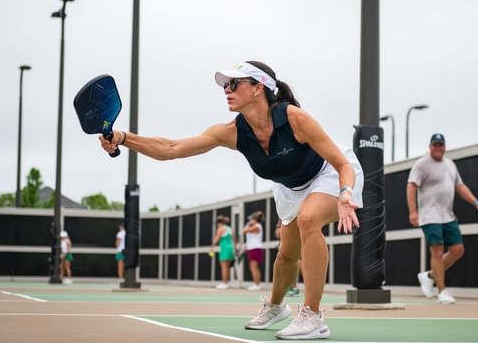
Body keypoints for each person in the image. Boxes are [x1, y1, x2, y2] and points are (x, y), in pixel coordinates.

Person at [98, 61, 363, 340]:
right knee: (286, 254)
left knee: (309, 219)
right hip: (290, 187)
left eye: (234, 84)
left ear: (259, 88)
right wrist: (123, 138)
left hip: (331, 173)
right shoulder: (232, 132)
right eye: (225, 85)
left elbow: (342, 164)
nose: (227, 89)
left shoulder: (295, 118)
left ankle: (313, 316)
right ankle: (275, 306)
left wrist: (345, 193)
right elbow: (171, 148)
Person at [407, 133, 478, 304]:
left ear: (444, 147)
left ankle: (429, 275)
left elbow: (460, 186)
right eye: (435, 144)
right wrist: (413, 211)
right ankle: (442, 292)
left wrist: (477, 204)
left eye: (440, 145)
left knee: (458, 250)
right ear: (430, 147)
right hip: (429, 215)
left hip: (448, 215)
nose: (438, 148)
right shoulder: (422, 164)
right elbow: (411, 186)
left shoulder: (450, 165)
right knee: (437, 251)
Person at [275, 219, 300, 297]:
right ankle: (288, 287)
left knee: (291, 266)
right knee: (284, 269)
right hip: (285, 246)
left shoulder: (291, 222)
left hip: (291, 247)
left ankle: (293, 288)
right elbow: (278, 234)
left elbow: (278, 233)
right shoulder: (283, 223)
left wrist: (279, 226)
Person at [211, 215, 236, 289]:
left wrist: (211, 248)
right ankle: (226, 282)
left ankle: (224, 283)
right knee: (227, 267)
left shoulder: (220, 229)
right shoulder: (230, 229)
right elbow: (234, 240)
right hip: (231, 249)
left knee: (224, 267)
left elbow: (216, 240)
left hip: (224, 249)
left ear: (219, 222)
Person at [242, 211, 265, 291]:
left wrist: (249, 223)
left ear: (255, 219)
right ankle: (257, 284)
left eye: (251, 219)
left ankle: (257, 284)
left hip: (255, 248)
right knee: (253, 267)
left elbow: (244, 231)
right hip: (251, 248)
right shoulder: (254, 226)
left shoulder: (257, 226)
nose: (250, 221)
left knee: (254, 267)